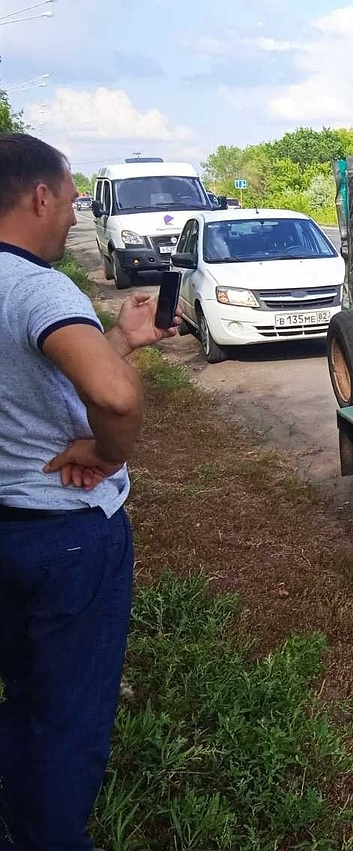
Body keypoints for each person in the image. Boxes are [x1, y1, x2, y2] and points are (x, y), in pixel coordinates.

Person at [0, 133, 180, 850]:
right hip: (64, 535)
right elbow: (110, 397)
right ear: (40, 195)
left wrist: (124, 339)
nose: (75, 216)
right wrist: (106, 452)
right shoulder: (39, 287)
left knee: (22, 695)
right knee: (68, 717)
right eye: (72, 200)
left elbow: (33, 373)